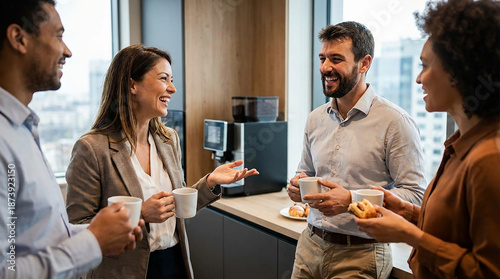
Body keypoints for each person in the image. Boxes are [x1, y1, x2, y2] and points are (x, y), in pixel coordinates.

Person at [65, 44, 259, 279]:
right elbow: (77, 228)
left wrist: (209, 182)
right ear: (132, 85)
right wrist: (140, 215)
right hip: (124, 271)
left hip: (174, 263)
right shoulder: (92, 149)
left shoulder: (169, 140)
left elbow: (176, 205)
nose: (173, 88)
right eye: (164, 78)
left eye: (171, 79)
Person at [356, 1, 500, 278]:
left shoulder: (489, 158)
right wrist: (410, 213)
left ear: (458, 71)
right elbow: (459, 230)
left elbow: (489, 271)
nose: (419, 79)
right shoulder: (461, 145)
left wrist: (412, 236)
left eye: (425, 66)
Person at [0, 1, 144, 278]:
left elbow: (35, 237)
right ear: (19, 38)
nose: (67, 51)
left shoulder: (22, 129)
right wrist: (93, 242)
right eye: (58, 35)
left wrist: (97, 234)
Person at [287, 21, 427, 279]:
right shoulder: (315, 118)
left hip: (361, 254)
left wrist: (352, 201)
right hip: (309, 245)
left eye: (336, 59)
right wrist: (296, 186)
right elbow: (305, 172)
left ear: (364, 63)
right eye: (323, 58)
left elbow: (415, 196)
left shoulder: (395, 122)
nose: (325, 67)